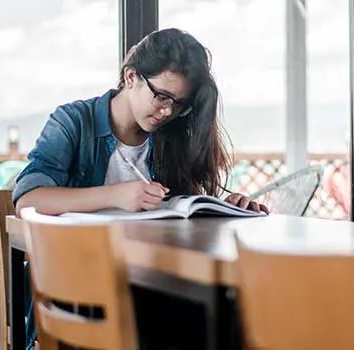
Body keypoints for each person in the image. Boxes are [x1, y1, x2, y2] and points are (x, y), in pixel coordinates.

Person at [13, 28, 267, 349]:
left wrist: (224, 208)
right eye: (161, 96)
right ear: (131, 77)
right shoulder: (74, 122)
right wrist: (116, 196)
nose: (167, 112)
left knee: (231, 312)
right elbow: (28, 200)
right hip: (79, 287)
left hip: (153, 282)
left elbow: (181, 216)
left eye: (180, 104)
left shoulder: (171, 136)